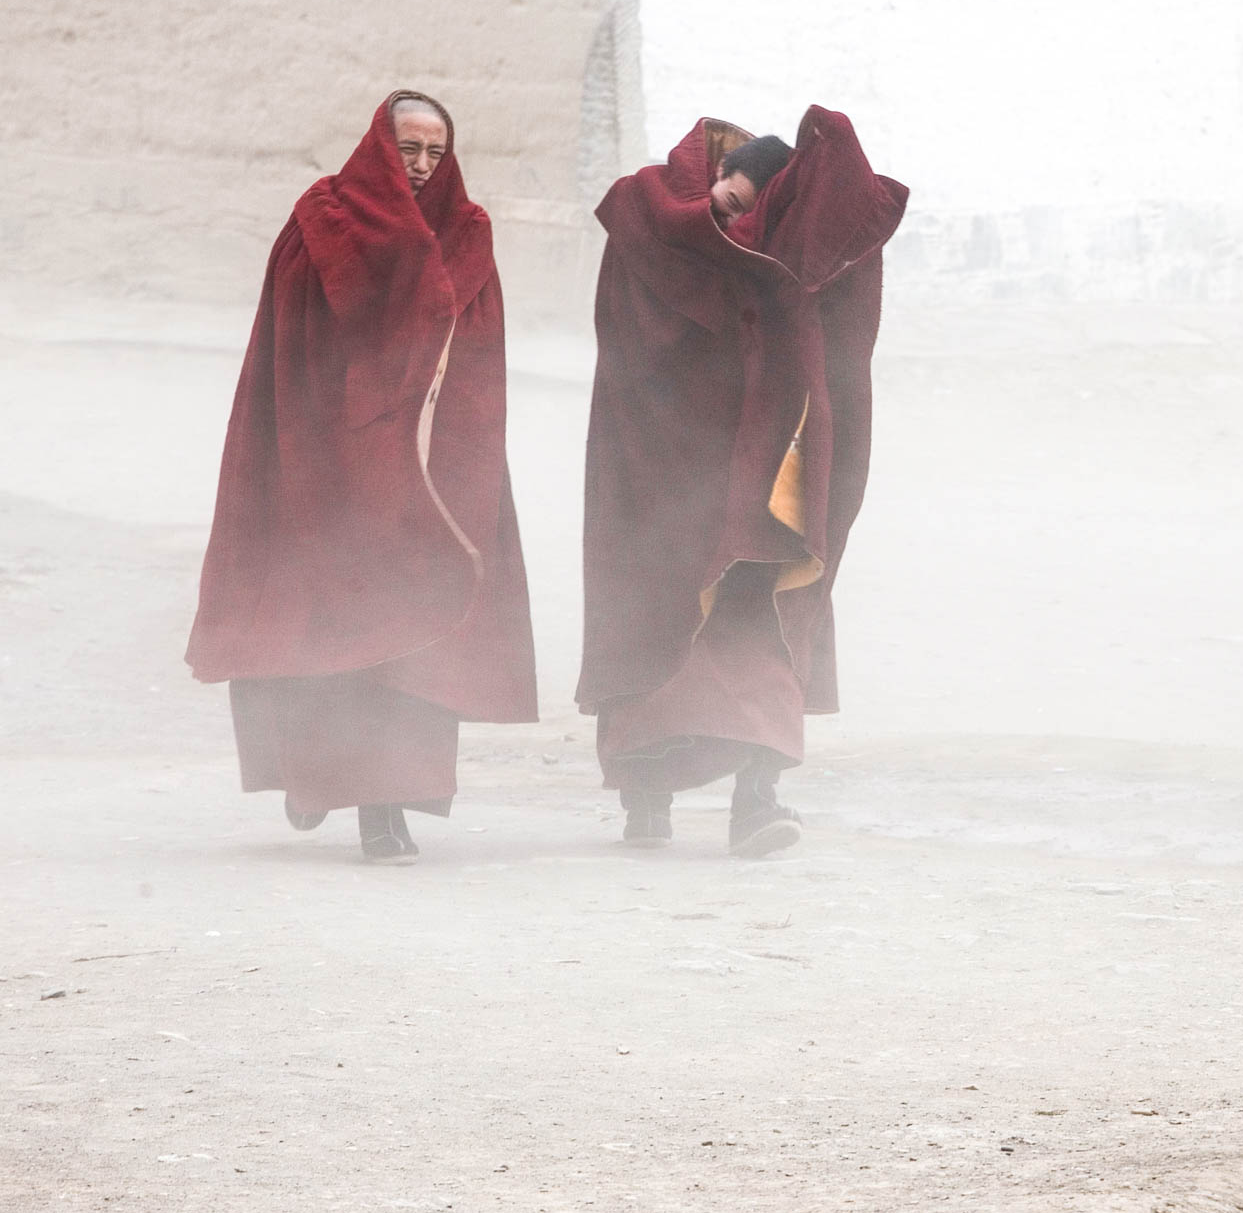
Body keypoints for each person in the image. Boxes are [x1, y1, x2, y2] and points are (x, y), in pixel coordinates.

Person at [187, 91, 537, 865]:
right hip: (331, 463)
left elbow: (480, 359)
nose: (419, 167)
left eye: (434, 153)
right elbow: (286, 344)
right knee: (326, 627)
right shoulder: (321, 220)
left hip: (423, 467)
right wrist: (305, 452)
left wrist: (463, 460)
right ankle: (313, 782)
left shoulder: (467, 234)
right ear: (378, 145)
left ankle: (388, 810)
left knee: (410, 636)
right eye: (406, 149)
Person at [578, 107, 907, 857]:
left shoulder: (792, 265)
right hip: (661, 474)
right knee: (656, 630)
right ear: (715, 170)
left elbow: (835, 354)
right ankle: (645, 797)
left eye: (760, 200)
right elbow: (624, 347)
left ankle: (756, 803)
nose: (738, 206)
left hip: (766, 481)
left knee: (765, 630)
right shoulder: (649, 221)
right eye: (735, 185)